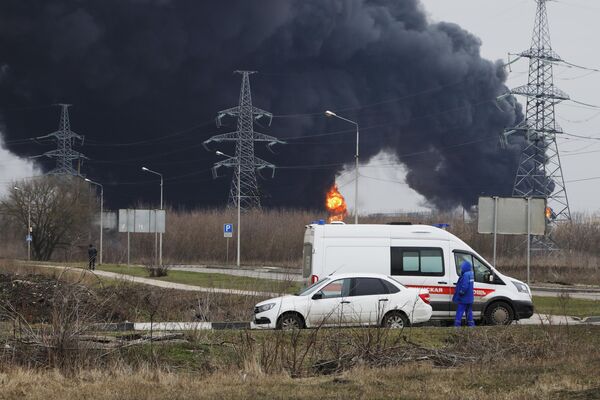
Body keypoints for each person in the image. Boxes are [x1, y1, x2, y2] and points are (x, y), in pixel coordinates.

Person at [453, 260, 475, 327]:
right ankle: (471, 325)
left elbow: (465, 286)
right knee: (469, 312)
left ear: (465, 267)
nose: (461, 269)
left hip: (464, 298)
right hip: (470, 298)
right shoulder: (471, 274)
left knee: (460, 311)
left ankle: (457, 326)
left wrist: (461, 292)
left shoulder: (465, 275)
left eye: (462, 267)